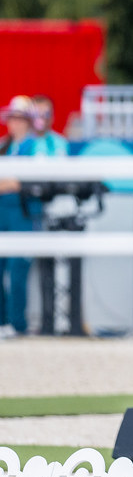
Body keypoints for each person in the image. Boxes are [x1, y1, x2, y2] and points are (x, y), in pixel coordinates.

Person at [0, 97, 42, 337]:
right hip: (3, 212)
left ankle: (17, 324)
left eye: (18, 118)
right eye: (12, 118)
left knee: (18, 270)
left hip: (23, 213)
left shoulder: (34, 146)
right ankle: (2, 321)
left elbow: (20, 182)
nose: (13, 123)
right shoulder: (4, 146)